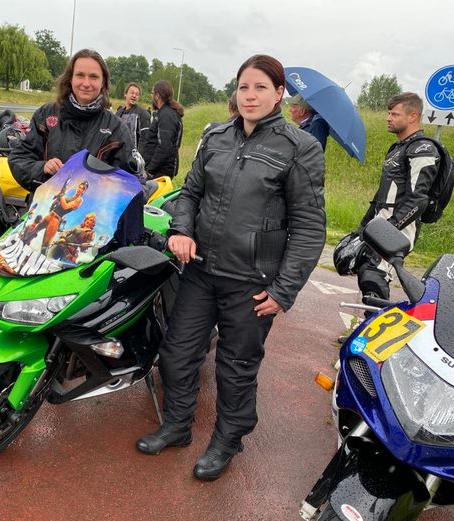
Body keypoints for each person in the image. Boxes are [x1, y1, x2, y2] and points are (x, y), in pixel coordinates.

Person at [136, 54, 326, 481]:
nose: (250, 95)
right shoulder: (217, 137)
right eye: (244, 87)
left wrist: (283, 291)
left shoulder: (300, 148)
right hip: (201, 272)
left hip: (252, 283)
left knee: (237, 368)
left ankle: (227, 440)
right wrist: (181, 230)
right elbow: (188, 194)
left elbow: (311, 227)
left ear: (279, 93)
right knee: (177, 353)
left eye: (261, 87)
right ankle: (177, 426)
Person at [8, 48, 139, 192]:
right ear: (70, 79)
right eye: (80, 75)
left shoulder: (116, 128)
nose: (86, 83)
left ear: (103, 82)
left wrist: (100, 184)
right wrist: (42, 168)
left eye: (94, 77)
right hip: (44, 208)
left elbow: (131, 183)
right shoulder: (45, 114)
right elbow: (19, 159)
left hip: (92, 212)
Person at [355, 92, 440, 301]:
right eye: (389, 113)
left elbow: (418, 199)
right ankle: (370, 328)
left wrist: (390, 228)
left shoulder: (423, 149)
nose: (388, 118)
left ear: (412, 117)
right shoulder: (399, 148)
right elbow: (382, 192)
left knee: (374, 275)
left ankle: (378, 331)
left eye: (394, 114)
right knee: (367, 268)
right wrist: (365, 225)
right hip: (381, 219)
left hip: (401, 224)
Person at [143, 80, 183, 179]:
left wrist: (150, 170)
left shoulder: (167, 115)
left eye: (152, 93)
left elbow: (164, 146)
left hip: (160, 171)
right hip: (158, 169)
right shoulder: (163, 113)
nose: (151, 96)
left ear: (158, 95)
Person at [116, 82, 151, 156]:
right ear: (125, 94)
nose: (134, 96)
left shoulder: (143, 114)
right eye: (132, 93)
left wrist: (138, 158)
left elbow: (145, 139)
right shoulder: (119, 113)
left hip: (134, 156)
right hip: (118, 156)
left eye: (137, 94)